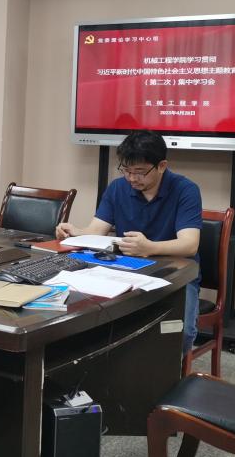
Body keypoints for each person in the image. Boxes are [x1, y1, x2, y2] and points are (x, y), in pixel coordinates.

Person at [56, 130, 202, 354]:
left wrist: (149, 248)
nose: (132, 178)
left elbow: (190, 244)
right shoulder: (118, 188)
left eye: (140, 172)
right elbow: (96, 231)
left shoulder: (185, 190)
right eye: (126, 170)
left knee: (180, 333)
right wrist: (76, 232)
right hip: (127, 269)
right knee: (90, 314)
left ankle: (172, 372)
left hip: (175, 274)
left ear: (162, 166)